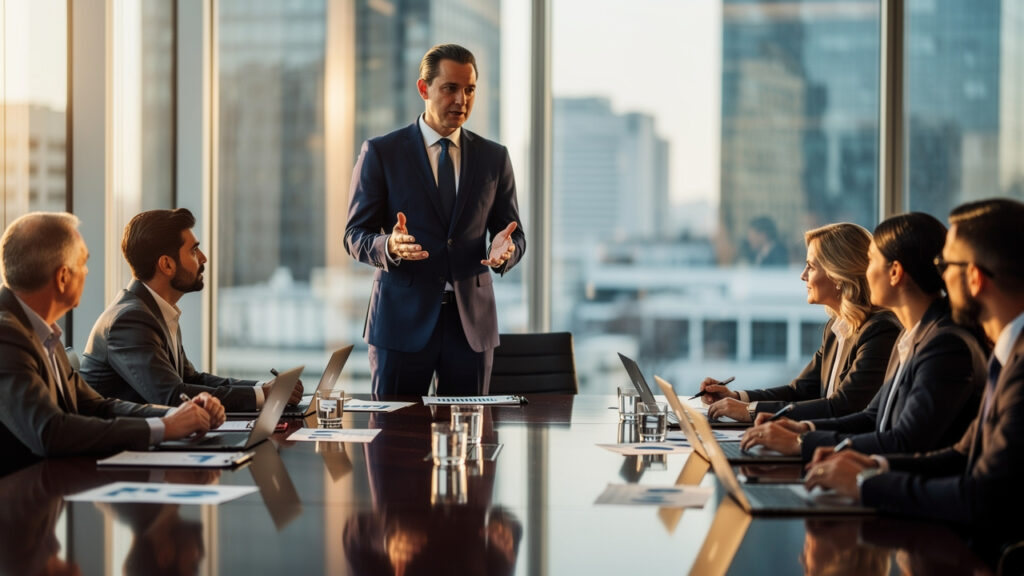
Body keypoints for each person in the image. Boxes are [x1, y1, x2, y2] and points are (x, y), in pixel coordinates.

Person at [805, 198, 1024, 565]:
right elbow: (961, 454)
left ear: (974, 278)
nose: (940, 275)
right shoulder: (1007, 354)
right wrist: (871, 467)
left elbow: (983, 497)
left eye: (946, 264)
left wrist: (866, 483)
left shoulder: (979, 352)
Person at [344, 43, 526, 396]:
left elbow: (514, 234)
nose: (462, 99)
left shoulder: (495, 158)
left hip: (470, 326)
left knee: (470, 445)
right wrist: (389, 245)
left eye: (470, 89)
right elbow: (354, 234)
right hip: (400, 323)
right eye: (450, 88)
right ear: (424, 89)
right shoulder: (382, 153)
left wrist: (506, 251)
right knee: (392, 443)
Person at [739, 213, 986, 458]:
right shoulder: (909, 336)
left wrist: (803, 441)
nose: (864, 272)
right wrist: (804, 429)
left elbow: (906, 442)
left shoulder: (943, 344)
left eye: (870, 261)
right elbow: (873, 417)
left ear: (895, 272)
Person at [0, 212, 224, 469]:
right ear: (63, 277)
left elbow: (96, 406)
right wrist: (164, 427)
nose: (87, 272)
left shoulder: (42, 332)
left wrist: (177, 415)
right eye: (83, 263)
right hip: (21, 500)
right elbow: (49, 431)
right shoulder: (6, 336)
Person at [80, 209, 302, 411]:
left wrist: (264, 387)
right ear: (166, 265)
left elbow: (192, 379)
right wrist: (262, 395)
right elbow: (172, 396)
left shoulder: (154, 310)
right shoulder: (130, 319)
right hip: (124, 450)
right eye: (194, 251)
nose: (203, 258)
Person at [702, 223, 900, 422]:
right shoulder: (835, 327)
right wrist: (736, 398)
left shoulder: (880, 331)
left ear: (839, 275)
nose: (803, 275)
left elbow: (842, 407)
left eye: (811, 266)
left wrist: (749, 411)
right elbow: (798, 391)